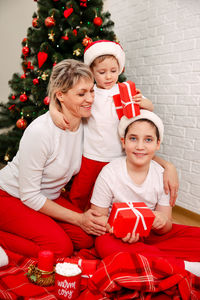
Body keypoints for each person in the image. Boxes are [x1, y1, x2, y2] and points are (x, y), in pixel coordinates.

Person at [50, 40, 179, 212]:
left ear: (120, 69)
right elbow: (62, 101)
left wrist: (144, 102)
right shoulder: (90, 93)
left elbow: (149, 108)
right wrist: (54, 111)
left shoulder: (124, 90)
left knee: (111, 191)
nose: (109, 76)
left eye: (113, 71)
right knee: (81, 192)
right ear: (92, 72)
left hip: (117, 154)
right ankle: (77, 218)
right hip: (91, 153)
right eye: (102, 72)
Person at [0, 59, 107, 259]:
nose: (91, 99)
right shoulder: (40, 132)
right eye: (82, 94)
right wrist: (78, 218)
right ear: (61, 96)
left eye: (92, 91)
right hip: (10, 195)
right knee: (60, 249)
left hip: (47, 196)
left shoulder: (88, 123)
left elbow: (122, 143)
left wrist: (166, 165)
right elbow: (29, 196)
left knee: (84, 239)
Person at [90, 110, 200, 277]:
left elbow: (166, 226)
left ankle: (150, 256)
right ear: (123, 142)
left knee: (195, 235)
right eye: (133, 138)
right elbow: (98, 218)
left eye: (148, 140)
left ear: (157, 144)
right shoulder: (110, 172)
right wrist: (120, 231)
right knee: (105, 246)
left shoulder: (162, 176)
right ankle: (183, 266)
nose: (140, 146)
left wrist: (162, 221)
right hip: (116, 236)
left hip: (150, 235)